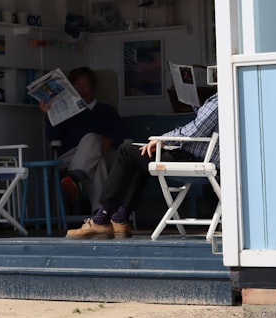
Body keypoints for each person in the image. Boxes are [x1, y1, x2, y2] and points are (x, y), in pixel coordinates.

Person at [66, 93, 219, 239]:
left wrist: (163, 140)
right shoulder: (223, 99)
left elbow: (194, 131)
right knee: (140, 156)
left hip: (197, 161)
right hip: (199, 158)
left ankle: (102, 218)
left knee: (126, 151)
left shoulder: (219, 100)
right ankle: (120, 218)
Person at [39, 67, 127, 214]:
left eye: (84, 85)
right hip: (70, 155)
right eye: (76, 86)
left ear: (93, 86)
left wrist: (111, 140)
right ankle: (101, 214)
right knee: (96, 159)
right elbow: (54, 137)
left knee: (93, 143)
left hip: (104, 152)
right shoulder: (66, 112)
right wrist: (49, 116)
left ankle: (75, 178)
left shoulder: (106, 110)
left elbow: (123, 131)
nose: (81, 90)